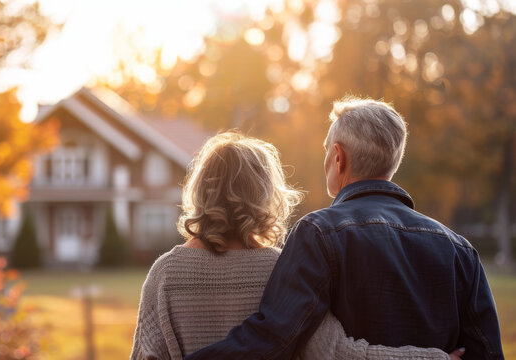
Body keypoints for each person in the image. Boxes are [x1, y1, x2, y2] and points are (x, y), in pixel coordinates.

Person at [184, 98, 504, 360]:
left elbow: (274, 338)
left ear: (338, 157)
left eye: (327, 150)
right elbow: (486, 351)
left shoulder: (317, 234)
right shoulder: (458, 249)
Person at [131, 132, 452, 360]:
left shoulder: (165, 274)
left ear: (200, 190)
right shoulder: (284, 269)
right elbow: (335, 353)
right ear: (265, 194)